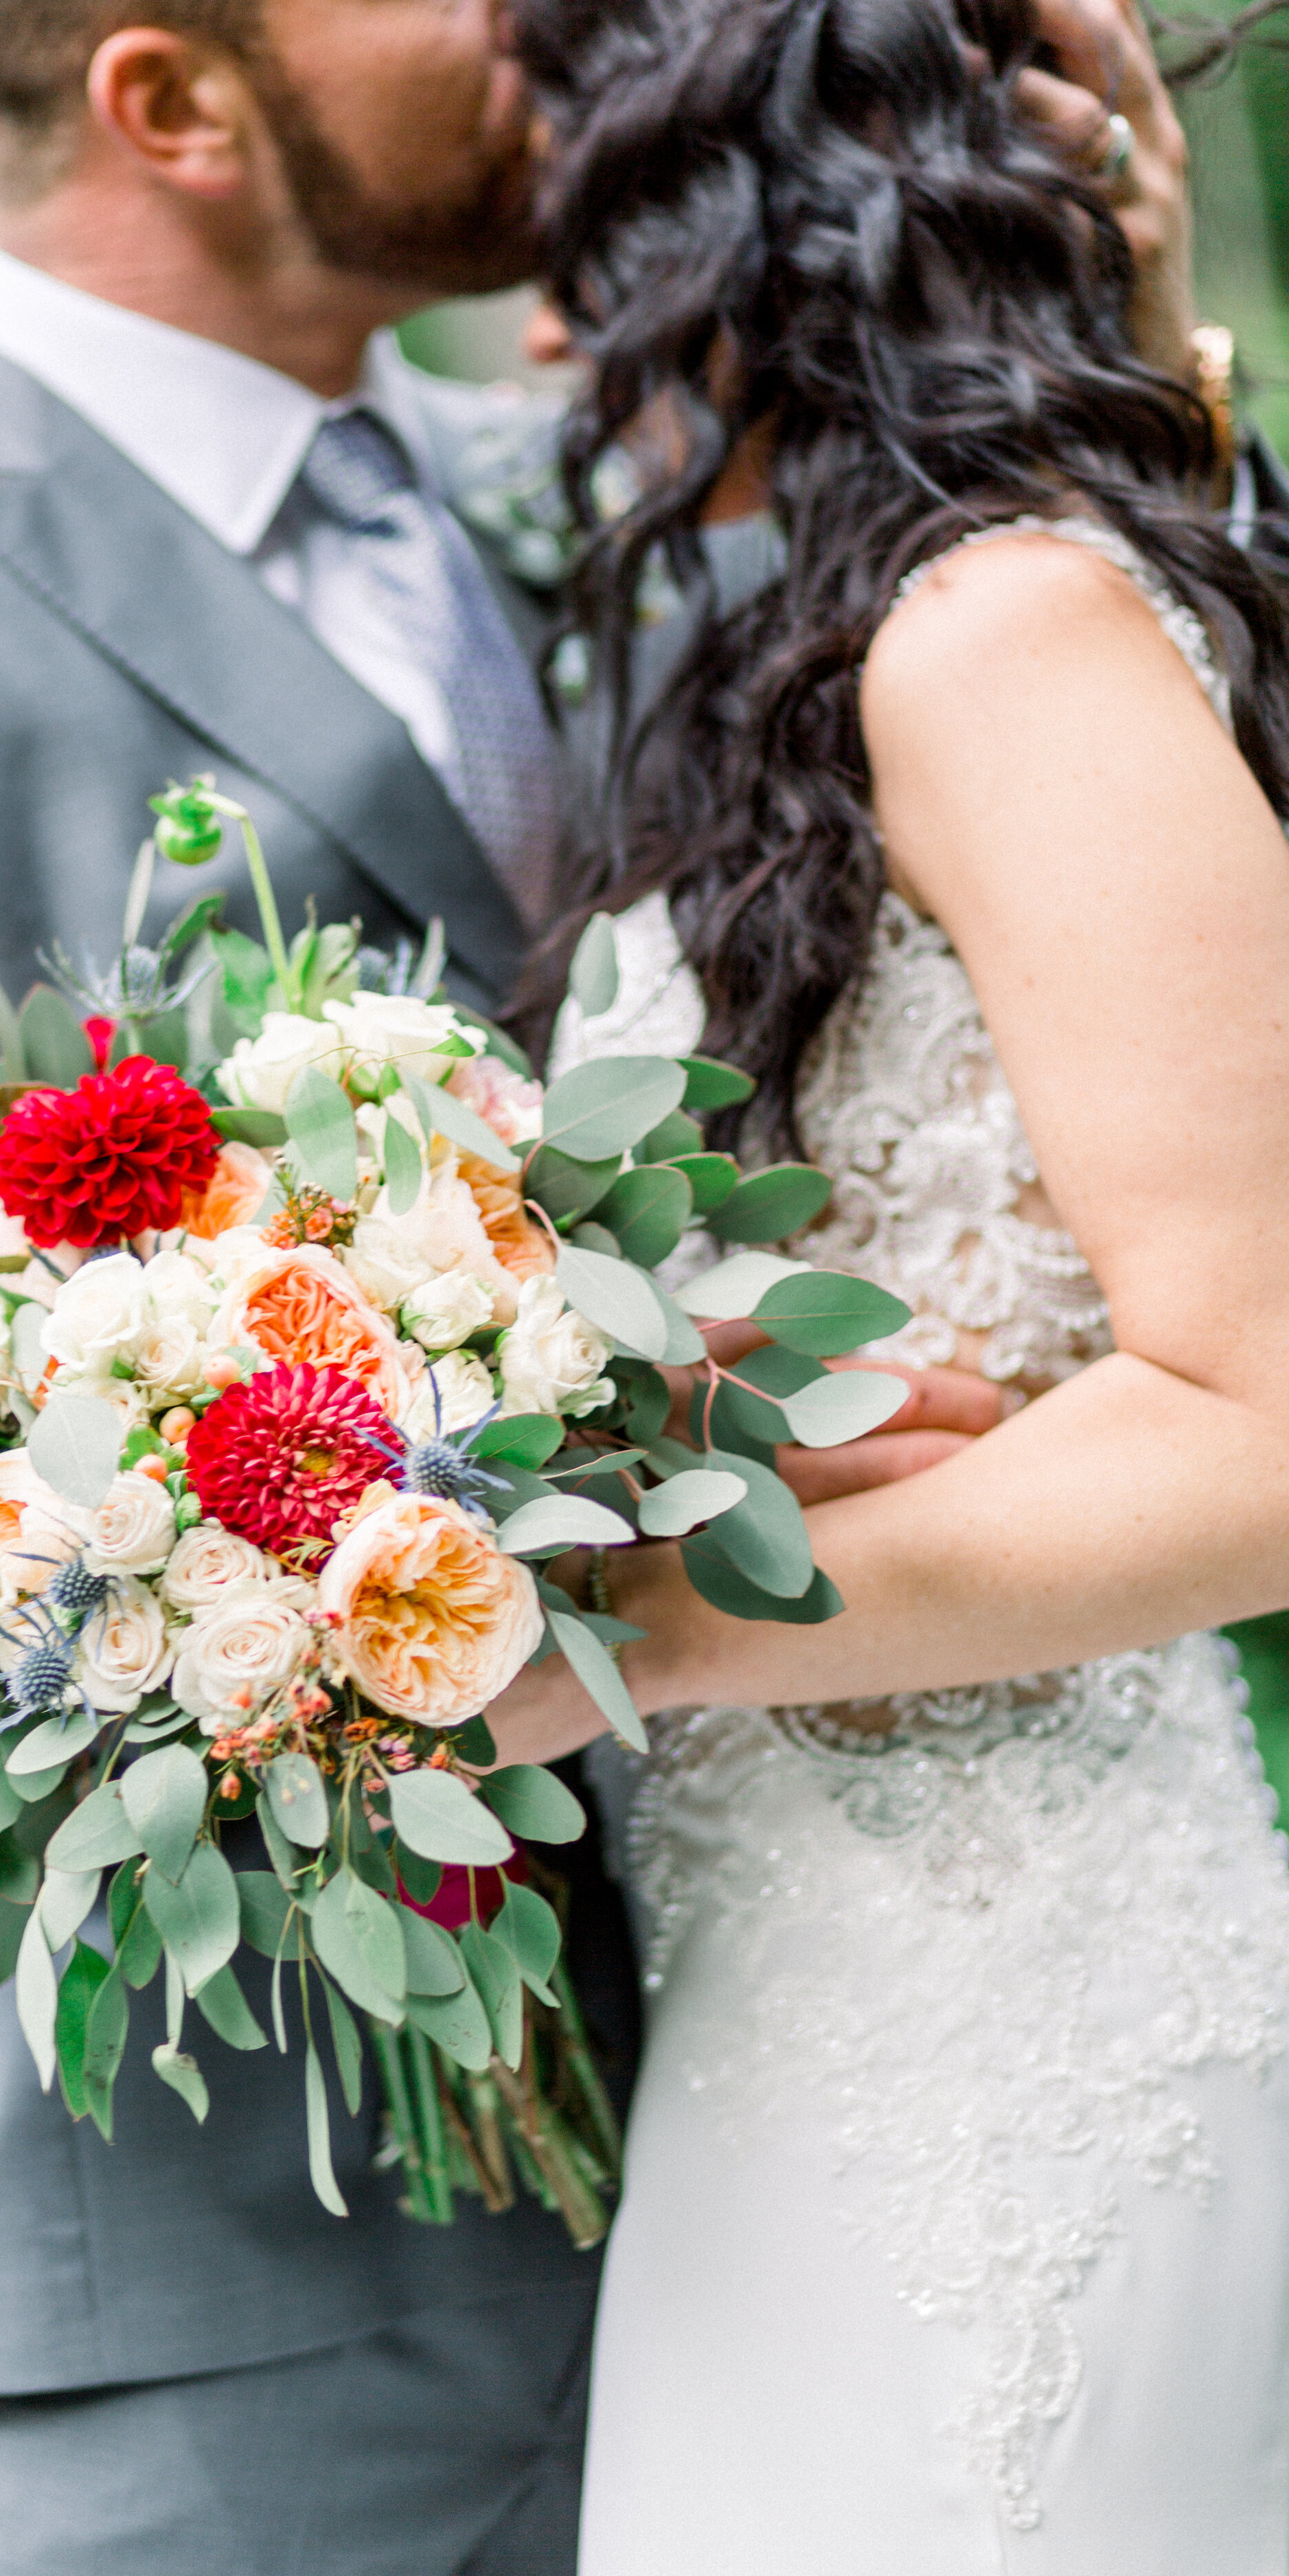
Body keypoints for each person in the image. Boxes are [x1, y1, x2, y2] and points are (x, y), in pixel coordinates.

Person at [0, 2, 1254, 2571]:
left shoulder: (656, 483)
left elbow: (1106, 761)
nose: (537, 19)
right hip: (226, 2274)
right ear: (172, 100)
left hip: (825, 2108)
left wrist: (1113, 337)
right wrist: (504, 1472)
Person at [483, 0, 1289, 2565]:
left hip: (1015, 2007)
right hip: (792, 1998)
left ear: (725, 220)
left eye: (570, 230)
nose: (531, 330)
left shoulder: (1006, 636)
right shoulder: (827, 656)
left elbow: (1269, 1409)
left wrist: (631, 1620)